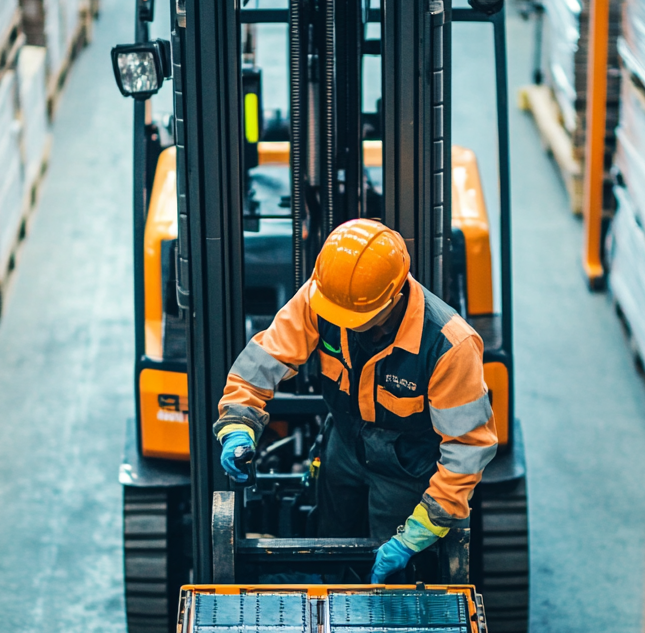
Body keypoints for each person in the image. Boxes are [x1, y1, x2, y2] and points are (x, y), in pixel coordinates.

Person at [213, 218, 498, 583]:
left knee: (392, 580)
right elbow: (263, 362)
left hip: (408, 468)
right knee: (330, 546)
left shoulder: (449, 346)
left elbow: (467, 450)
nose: (339, 323)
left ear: (393, 297)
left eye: (354, 319)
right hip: (344, 446)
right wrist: (238, 423)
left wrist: (416, 536)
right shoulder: (326, 296)